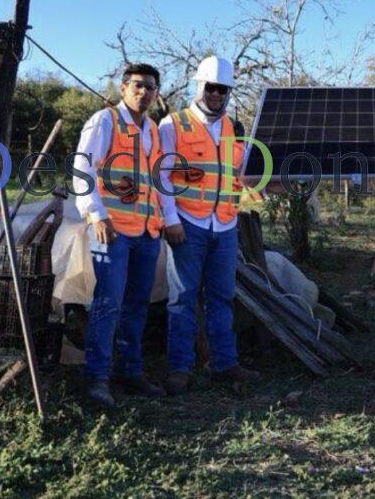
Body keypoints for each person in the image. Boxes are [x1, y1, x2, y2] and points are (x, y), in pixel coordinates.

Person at [158, 55, 259, 395]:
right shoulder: (173, 124)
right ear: (198, 86)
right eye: (211, 87)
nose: (217, 94)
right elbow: (162, 176)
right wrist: (170, 219)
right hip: (187, 223)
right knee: (183, 297)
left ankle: (224, 364)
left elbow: (244, 174)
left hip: (225, 225)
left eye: (223, 89)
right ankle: (179, 369)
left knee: (221, 297)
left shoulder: (236, 128)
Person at [73, 63, 166, 408]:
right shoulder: (105, 121)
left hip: (146, 230)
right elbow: (81, 169)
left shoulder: (153, 130)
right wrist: (95, 214)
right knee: (107, 302)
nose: (144, 92)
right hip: (111, 230)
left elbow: (158, 179)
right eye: (138, 86)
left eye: (151, 87)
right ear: (124, 88)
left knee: (136, 305)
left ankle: (130, 370)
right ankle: (97, 378)